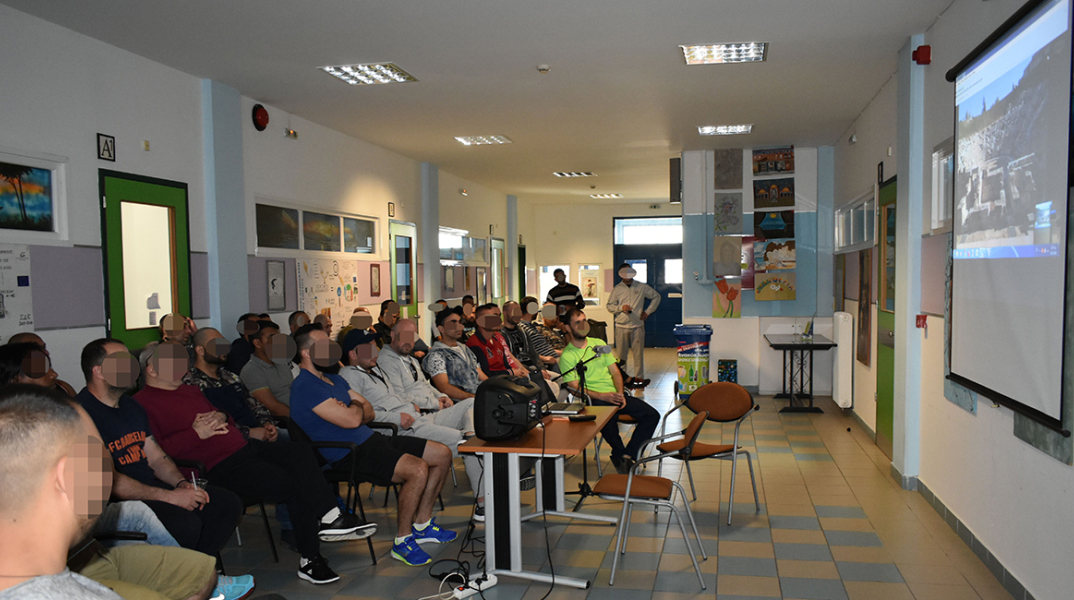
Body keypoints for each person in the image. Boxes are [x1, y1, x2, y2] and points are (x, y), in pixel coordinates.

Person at [133, 340, 372, 585]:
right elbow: (157, 453)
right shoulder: (141, 404)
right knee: (291, 483)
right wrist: (196, 434)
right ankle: (311, 558)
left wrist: (221, 415)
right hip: (215, 465)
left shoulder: (190, 390)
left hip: (243, 448)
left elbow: (225, 417)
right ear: (151, 368)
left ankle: (330, 516)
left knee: (300, 452)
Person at [0, 384, 231, 600]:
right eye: (103, 462)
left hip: (90, 558)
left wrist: (179, 483)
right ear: (67, 477)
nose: (110, 475)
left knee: (201, 572)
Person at [290, 325, 457, 566]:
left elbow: (366, 410)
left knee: (442, 454)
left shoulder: (334, 379)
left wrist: (352, 408)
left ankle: (422, 524)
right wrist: (354, 409)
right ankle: (403, 541)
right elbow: (353, 419)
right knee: (417, 468)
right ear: (306, 353)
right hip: (347, 453)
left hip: (371, 439)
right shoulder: (305, 386)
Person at [76, 338, 244, 560]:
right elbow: (110, 481)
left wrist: (181, 484)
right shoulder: (80, 414)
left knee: (225, 504)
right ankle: (192, 574)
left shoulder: (131, 406)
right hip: (117, 502)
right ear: (98, 371)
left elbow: (156, 457)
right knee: (185, 523)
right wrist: (170, 497)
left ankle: (199, 572)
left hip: (151, 487)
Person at [338, 328, 486, 515]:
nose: (375, 353)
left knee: (471, 404)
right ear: (352, 354)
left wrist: (415, 404)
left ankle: (471, 434)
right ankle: (483, 504)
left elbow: (397, 395)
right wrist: (397, 418)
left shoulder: (376, 370)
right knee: (468, 445)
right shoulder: (349, 376)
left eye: (375, 348)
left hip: (420, 417)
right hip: (401, 428)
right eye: (368, 349)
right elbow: (361, 415)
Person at [558, 309, 659, 474]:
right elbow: (574, 388)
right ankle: (619, 454)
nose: (583, 325)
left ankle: (628, 455)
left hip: (615, 395)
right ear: (568, 328)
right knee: (607, 419)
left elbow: (615, 372)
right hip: (593, 399)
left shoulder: (598, 344)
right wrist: (602, 396)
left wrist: (620, 393)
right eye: (577, 323)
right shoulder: (567, 356)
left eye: (584, 320)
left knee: (652, 415)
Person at [184, 328, 279, 442]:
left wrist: (267, 423)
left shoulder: (230, 376)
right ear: (200, 350)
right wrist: (249, 432)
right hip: (229, 442)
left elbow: (254, 404)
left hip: (259, 435)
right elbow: (208, 423)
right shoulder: (190, 383)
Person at [606, 264, 661, 388]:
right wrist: (621, 308)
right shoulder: (617, 289)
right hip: (621, 326)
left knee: (638, 355)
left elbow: (656, 296)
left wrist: (647, 312)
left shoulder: (641, 287)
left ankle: (639, 379)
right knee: (621, 357)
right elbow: (609, 306)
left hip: (637, 326)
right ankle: (623, 380)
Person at [423, 306, 487, 400]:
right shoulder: (436, 355)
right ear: (441, 329)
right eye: (453, 323)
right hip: (461, 403)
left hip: (478, 396)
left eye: (460, 322)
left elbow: (480, 374)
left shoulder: (465, 349)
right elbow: (444, 387)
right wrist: (475, 398)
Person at [240, 321, 294, 418]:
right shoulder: (251, 370)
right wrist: (304, 418)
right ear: (257, 343)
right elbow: (272, 408)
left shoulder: (281, 363)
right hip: (284, 420)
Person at [465, 304, 529, 378]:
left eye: (499, 316)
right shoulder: (474, 344)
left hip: (507, 379)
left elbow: (506, 366)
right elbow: (485, 374)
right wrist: (510, 373)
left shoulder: (497, 340)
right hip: (494, 383)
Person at [7, 332, 78, 395]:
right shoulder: (6, 400)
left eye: (44, 347)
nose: (45, 352)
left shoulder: (63, 387)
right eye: (35, 348)